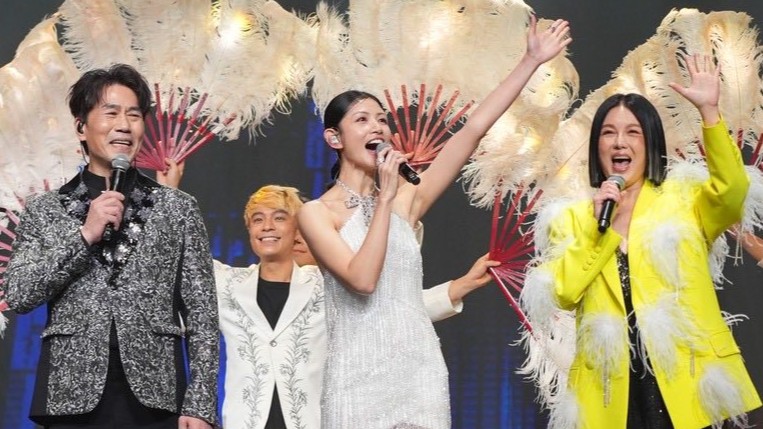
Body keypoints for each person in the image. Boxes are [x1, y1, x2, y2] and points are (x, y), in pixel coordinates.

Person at [296, 16, 571, 428]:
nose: (378, 127)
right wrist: (385, 199)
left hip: (418, 371)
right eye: (362, 120)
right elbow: (362, 280)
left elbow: (473, 130)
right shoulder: (317, 213)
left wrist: (530, 61)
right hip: (355, 376)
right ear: (334, 139)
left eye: (381, 119)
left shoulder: (405, 199)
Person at [522, 55, 761, 428]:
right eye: (608, 133)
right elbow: (565, 293)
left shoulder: (685, 197)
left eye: (633, 132)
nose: (620, 142)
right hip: (613, 395)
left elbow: (732, 193)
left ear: (650, 143)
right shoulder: (572, 219)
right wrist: (598, 230)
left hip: (691, 383)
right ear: (596, 146)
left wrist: (710, 113)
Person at [157, 168, 498, 428]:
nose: (267, 226)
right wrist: (168, 191)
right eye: (257, 220)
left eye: (279, 218)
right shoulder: (228, 284)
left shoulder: (324, 284)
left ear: (299, 230)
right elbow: (179, 260)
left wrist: (461, 286)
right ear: (249, 231)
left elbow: (395, 307)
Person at [0, 64, 219, 429]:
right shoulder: (45, 209)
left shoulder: (177, 208)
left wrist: (200, 404)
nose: (124, 125)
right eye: (111, 113)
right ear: (81, 127)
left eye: (134, 115)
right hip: (71, 397)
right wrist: (84, 235)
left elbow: (202, 314)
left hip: (156, 397)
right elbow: (19, 294)